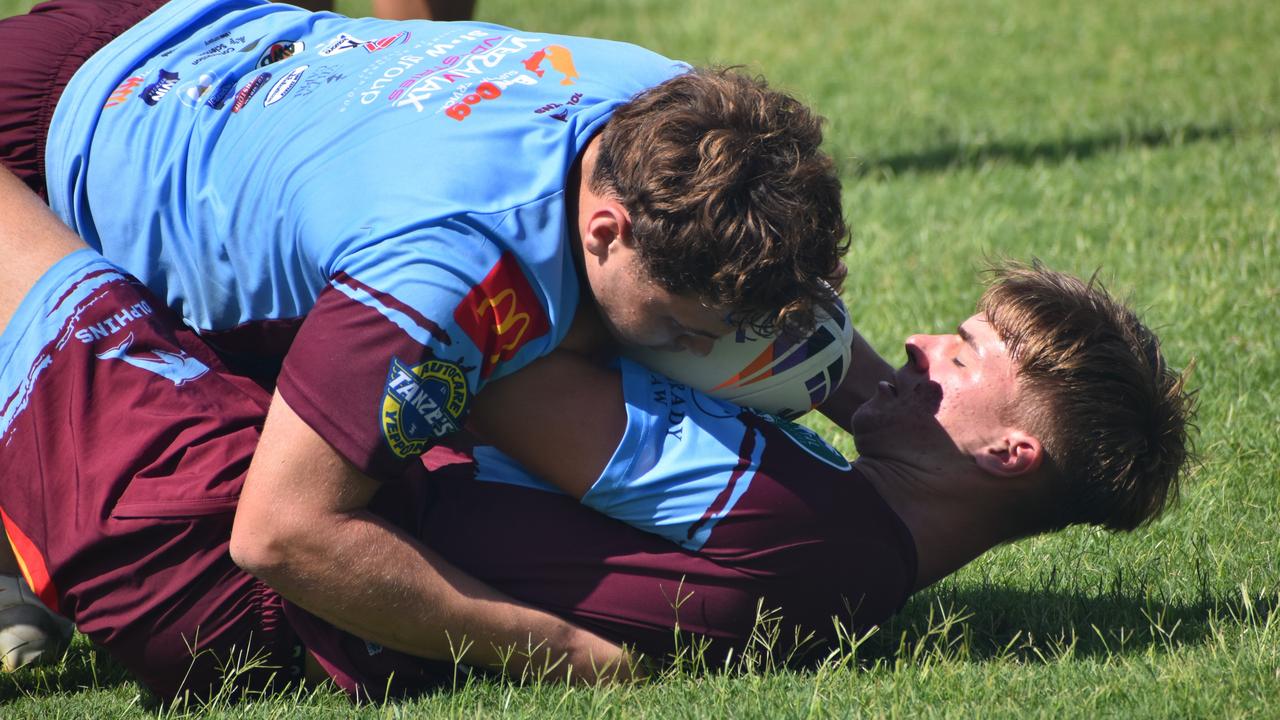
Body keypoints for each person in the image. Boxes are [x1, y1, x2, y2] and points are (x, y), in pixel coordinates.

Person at [0, 167, 1194, 699]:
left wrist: (672, 298)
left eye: (963, 352)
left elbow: (503, 372)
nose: (924, 348)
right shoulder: (850, 554)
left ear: (1008, 456)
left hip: (213, 538)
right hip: (255, 529)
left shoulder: (796, 518)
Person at [0, 0, 891, 669]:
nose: (699, 358)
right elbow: (282, 533)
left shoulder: (671, 108)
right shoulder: (452, 273)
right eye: (678, 329)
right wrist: (565, 654)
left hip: (175, 37)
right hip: (54, 137)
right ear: (609, 232)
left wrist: (893, 408)